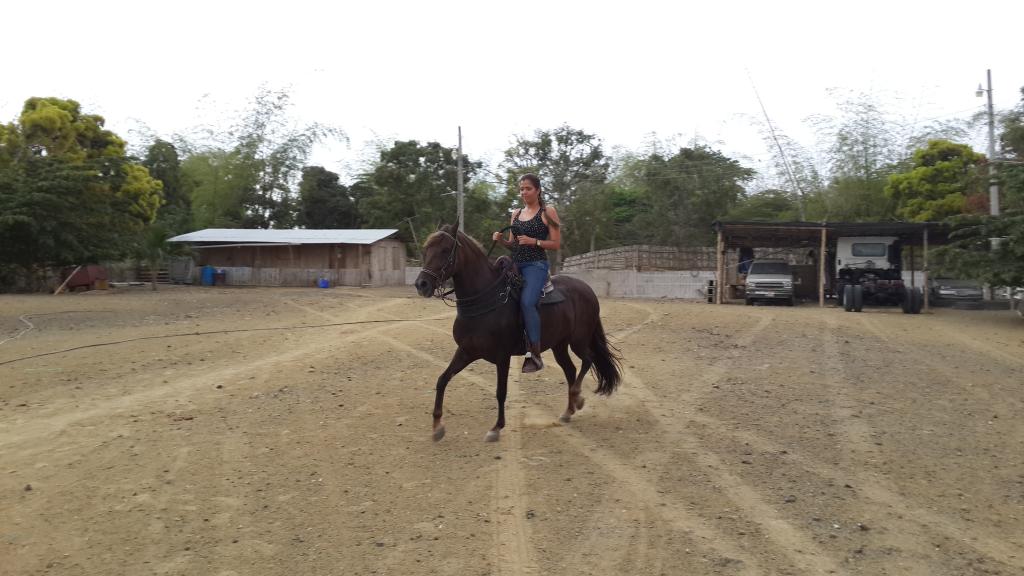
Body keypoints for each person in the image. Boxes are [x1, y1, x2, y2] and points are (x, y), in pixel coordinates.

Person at [492, 173, 561, 373]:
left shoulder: (548, 212)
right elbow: (513, 244)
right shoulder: (516, 213)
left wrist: (534, 241)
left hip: (536, 265)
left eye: (528, 188)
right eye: (521, 189)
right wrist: (501, 240)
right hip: (516, 263)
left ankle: (535, 354)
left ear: (538, 190)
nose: (524, 192)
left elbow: (556, 244)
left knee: (527, 302)